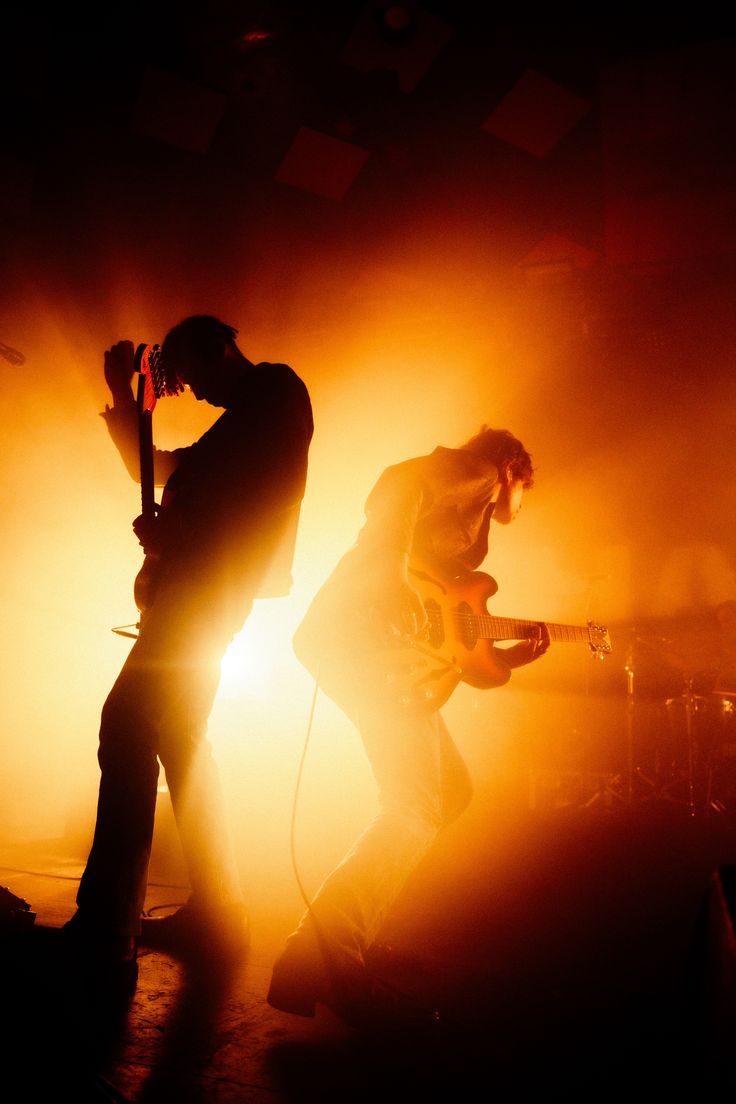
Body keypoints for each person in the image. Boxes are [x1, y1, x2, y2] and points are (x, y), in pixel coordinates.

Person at [267, 426, 549, 1028]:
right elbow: (399, 482)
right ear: (513, 472)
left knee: (449, 793)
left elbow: (445, 637)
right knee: (416, 805)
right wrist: (394, 576)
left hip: (372, 652)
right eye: (525, 492)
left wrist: (506, 657)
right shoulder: (480, 473)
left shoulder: (459, 523)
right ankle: (323, 954)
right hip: (361, 644)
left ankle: (348, 935)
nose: (518, 509)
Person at [63, 315, 313, 992]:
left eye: (192, 370)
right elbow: (169, 469)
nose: (194, 390)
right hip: (202, 587)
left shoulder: (275, 392)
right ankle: (219, 913)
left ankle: (108, 929)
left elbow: (267, 491)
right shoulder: (236, 422)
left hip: (208, 589)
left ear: (222, 345)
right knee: (181, 739)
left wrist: (187, 523)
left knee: (126, 725)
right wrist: (126, 404)